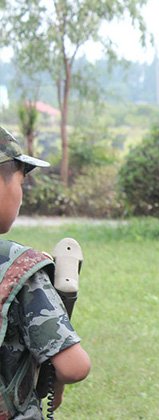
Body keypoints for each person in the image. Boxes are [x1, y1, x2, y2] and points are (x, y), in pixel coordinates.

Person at [0, 126, 91, 418]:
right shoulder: (19, 267)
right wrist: (53, 378)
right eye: (20, 182)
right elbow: (74, 367)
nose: (20, 193)